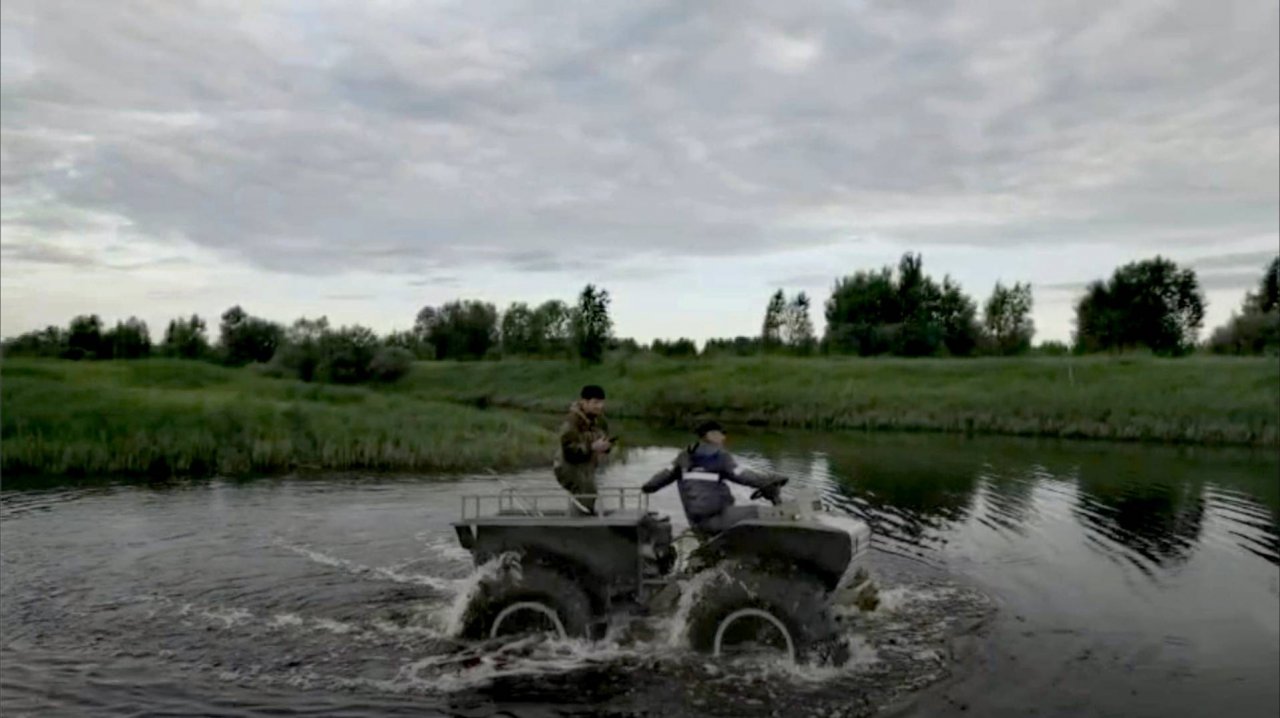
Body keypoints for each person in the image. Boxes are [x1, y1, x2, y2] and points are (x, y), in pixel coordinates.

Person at [641, 420, 785, 534]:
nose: (724, 437)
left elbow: (659, 479)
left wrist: (648, 487)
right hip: (717, 516)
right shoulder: (720, 457)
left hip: (695, 521)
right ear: (710, 435)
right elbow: (742, 475)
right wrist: (768, 480)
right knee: (760, 513)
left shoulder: (684, 456)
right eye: (721, 433)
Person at [553, 384, 613, 514]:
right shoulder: (572, 422)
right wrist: (592, 447)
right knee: (586, 494)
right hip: (568, 466)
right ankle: (579, 526)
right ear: (584, 402)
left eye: (601, 402)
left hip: (586, 465)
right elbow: (569, 451)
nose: (600, 406)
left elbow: (603, 439)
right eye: (595, 402)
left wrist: (606, 447)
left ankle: (582, 520)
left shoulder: (599, 421)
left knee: (590, 494)